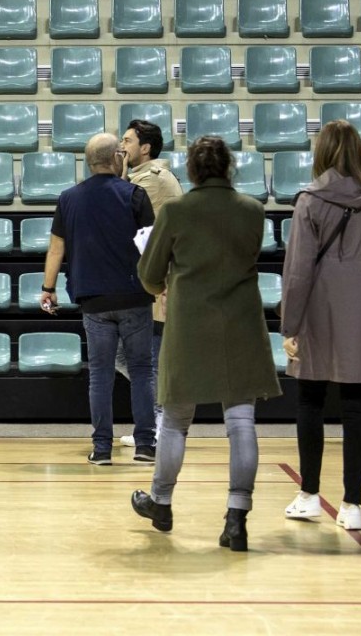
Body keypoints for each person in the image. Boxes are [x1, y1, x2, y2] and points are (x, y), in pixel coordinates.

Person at [130, 137, 281, 552]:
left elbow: (149, 272)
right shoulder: (253, 210)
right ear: (228, 168)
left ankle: (160, 503)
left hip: (189, 324)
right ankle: (237, 518)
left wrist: (162, 285)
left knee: (176, 421)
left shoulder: (177, 211)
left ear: (193, 170)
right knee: (241, 422)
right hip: (241, 324)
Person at [282, 120, 361, 532]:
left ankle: (309, 495)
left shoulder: (309, 200)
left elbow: (298, 270)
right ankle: (353, 506)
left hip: (319, 310)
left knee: (310, 402)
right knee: (355, 407)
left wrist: (290, 325)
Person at [40, 133, 156, 466]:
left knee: (100, 374)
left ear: (90, 162)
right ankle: (146, 445)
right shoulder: (135, 194)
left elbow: (56, 249)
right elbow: (150, 247)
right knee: (142, 371)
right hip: (134, 295)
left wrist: (48, 288)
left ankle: (102, 448)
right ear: (116, 158)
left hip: (93, 298)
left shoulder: (68, 199)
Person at [117, 119, 183, 449]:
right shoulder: (140, 178)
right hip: (147, 279)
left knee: (150, 358)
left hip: (162, 282)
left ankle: (161, 420)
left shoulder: (151, 181)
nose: (121, 147)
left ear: (145, 148)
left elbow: (119, 211)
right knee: (126, 356)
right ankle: (162, 412)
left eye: (127, 141)